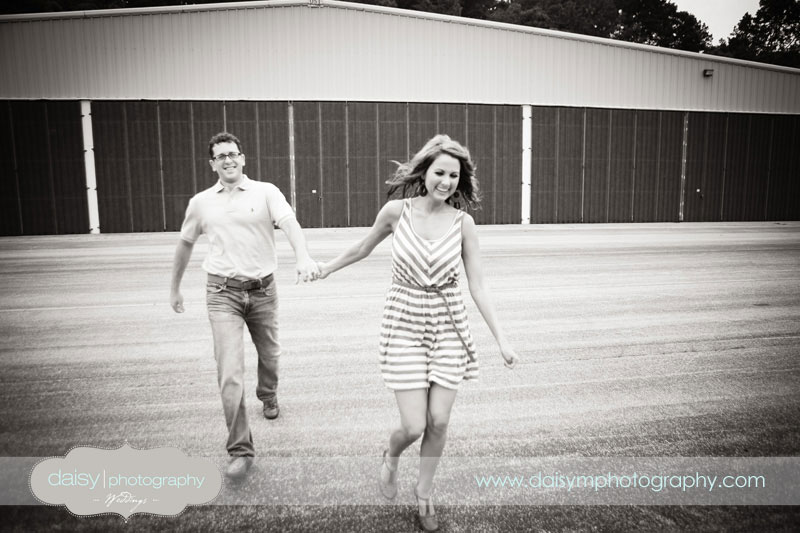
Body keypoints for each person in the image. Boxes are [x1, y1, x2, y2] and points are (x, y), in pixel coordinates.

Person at [317, 134, 519, 531]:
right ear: (425, 172)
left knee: (438, 420)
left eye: (453, 176)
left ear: (460, 180)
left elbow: (478, 285)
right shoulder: (397, 212)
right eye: (439, 172)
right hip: (404, 322)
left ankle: (424, 493)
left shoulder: (464, 224)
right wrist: (324, 268)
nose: (445, 182)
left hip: (448, 325)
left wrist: (502, 339)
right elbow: (362, 248)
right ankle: (391, 456)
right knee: (413, 425)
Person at [170, 132, 319, 480]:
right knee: (229, 373)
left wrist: (303, 256)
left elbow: (290, 224)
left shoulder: (266, 192)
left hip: (264, 291)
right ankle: (240, 450)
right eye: (220, 156)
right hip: (222, 292)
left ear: (243, 158)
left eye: (233, 154)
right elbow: (185, 244)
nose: (228, 160)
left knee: (271, 355)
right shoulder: (201, 203)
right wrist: (174, 288)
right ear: (212, 164)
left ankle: (268, 393)